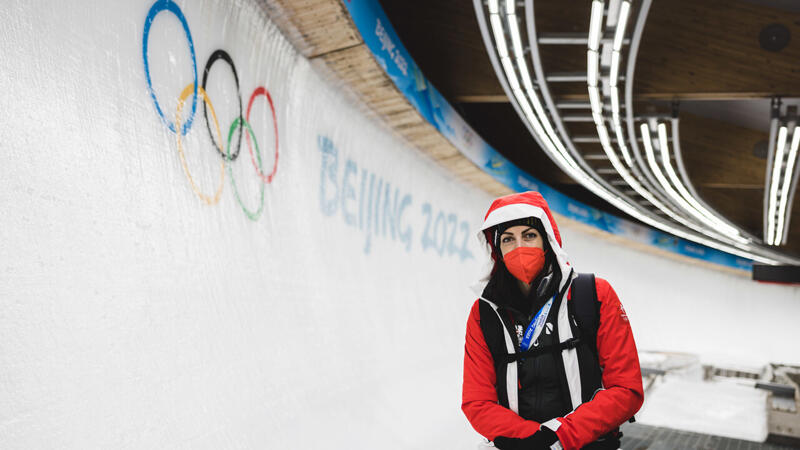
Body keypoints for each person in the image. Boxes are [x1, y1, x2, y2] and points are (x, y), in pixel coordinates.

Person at [462, 191, 643, 450]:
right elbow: (477, 401)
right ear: (496, 249)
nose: (519, 247)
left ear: (547, 241)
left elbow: (627, 389)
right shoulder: (484, 313)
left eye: (529, 236)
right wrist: (534, 440)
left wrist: (561, 436)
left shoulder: (593, 295)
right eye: (508, 239)